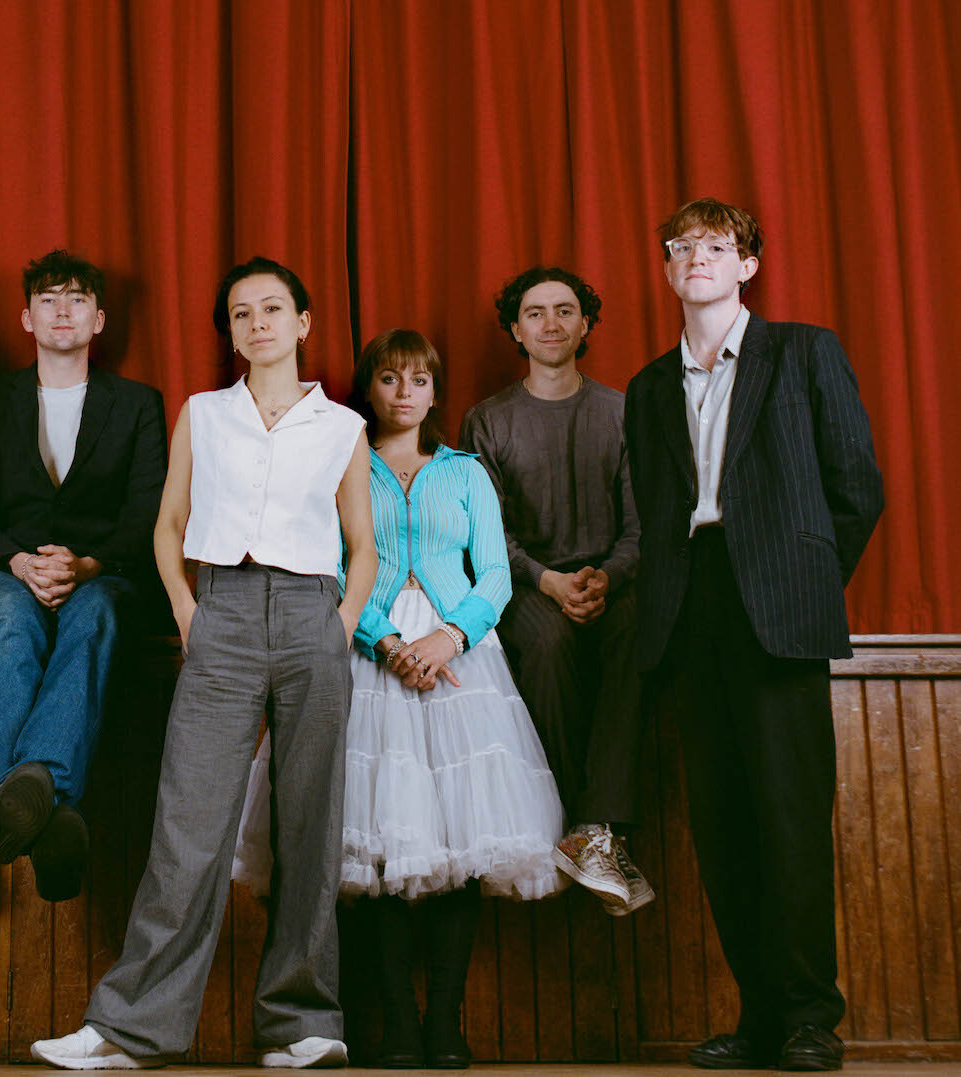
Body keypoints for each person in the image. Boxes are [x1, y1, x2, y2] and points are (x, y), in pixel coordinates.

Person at [32, 256, 378, 1070]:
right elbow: (168, 524)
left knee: (310, 823)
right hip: (221, 608)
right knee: (188, 825)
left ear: (303, 323)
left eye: (272, 309)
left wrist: (341, 623)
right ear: (230, 332)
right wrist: (189, 611)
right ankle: (131, 1027)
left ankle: (301, 1021)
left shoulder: (342, 428)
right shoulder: (204, 413)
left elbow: (363, 544)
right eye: (240, 313)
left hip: (312, 612)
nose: (257, 323)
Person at [235, 329, 565, 1069]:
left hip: (462, 660)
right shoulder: (342, 461)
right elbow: (328, 563)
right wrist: (384, 640)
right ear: (371, 387)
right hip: (365, 651)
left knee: (462, 841)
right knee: (372, 847)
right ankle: (396, 1028)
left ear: (435, 390)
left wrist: (450, 636)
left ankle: (445, 1022)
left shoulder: (467, 471)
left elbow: (495, 575)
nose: (405, 391)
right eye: (390, 378)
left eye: (419, 378)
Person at [625, 198, 883, 1072]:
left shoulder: (805, 352)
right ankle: (762, 1017)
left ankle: (812, 1018)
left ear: (748, 265)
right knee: (723, 823)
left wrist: (800, 582)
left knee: (791, 818)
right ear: (668, 269)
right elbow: (655, 509)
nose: (696, 256)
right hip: (688, 606)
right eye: (681, 246)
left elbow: (857, 487)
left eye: (717, 244)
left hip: (777, 606)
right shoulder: (648, 386)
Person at [0, 249, 167, 902]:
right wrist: (20, 561)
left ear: (99, 319)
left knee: (94, 615)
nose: (62, 310)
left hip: (103, 572)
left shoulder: (137, 404)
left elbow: (148, 511)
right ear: (27, 317)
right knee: (4, 619)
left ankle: (23, 796)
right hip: (3, 567)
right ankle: (50, 807)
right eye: (48, 299)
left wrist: (87, 564)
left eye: (77, 298)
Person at [460, 267, 651, 915]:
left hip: (609, 581)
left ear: (585, 324)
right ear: (515, 330)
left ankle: (597, 829)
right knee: (547, 643)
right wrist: (548, 580)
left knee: (638, 628)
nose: (550, 323)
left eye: (564, 310)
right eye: (535, 313)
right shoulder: (487, 420)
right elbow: (486, 533)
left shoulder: (621, 412)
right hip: (525, 585)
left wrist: (607, 577)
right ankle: (565, 823)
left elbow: (642, 525)